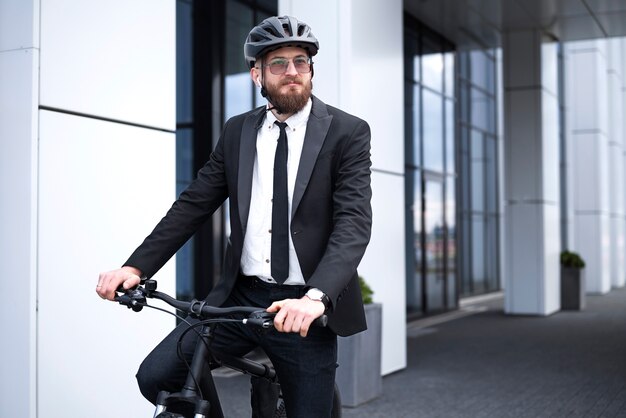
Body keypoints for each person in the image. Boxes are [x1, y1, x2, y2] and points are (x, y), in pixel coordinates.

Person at [97, 15, 372, 418]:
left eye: (301, 61)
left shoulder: (347, 132)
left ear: (311, 69)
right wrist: (136, 265)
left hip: (303, 306)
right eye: (278, 63)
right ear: (256, 74)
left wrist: (316, 298)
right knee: (156, 377)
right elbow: (193, 204)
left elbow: (353, 223)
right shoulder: (238, 131)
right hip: (241, 298)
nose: (292, 72)